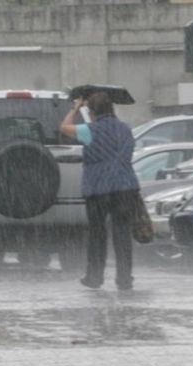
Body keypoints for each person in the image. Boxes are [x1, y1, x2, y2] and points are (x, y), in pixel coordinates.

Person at [59, 92, 140, 290]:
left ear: (92, 111)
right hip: (125, 187)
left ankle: (95, 277)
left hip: (98, 188)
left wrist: (75, 108)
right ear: (111, 109)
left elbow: (63, 128)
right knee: (122, 233)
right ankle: (124, 279)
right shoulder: (126, 129)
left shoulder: (89, 130)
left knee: (97, 234)